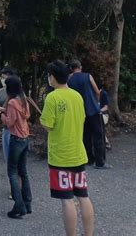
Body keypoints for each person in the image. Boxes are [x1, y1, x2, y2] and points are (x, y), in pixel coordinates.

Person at [40, 60, 95, 236]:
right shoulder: (77, 96)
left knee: (67, 200)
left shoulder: (52, 97)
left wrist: (43, 120)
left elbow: (48, 125)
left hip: (60, 156)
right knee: (83, 196)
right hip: (78, 153)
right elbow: (82, 118)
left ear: (52, 77)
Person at [0, 75, 32, 219]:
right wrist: (4, 111)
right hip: (25, 138)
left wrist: (0, 115)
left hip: (15, 140)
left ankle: (19, 206)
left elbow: (9, 123)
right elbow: (24, 115)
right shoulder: (23, 100)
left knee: (12, 172)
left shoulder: (11, 103)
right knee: (23, 171)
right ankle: (27, 203)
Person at [68, 60, 109, 169]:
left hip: (79, 111)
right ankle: (100, 162)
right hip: (92, 109)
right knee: (98, 135)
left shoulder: (69, 79)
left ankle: (89, 159)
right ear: (80, 67)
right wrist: (97, 102)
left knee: (85, 136)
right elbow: (97, 91)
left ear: (71, 68)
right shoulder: (87, 76)